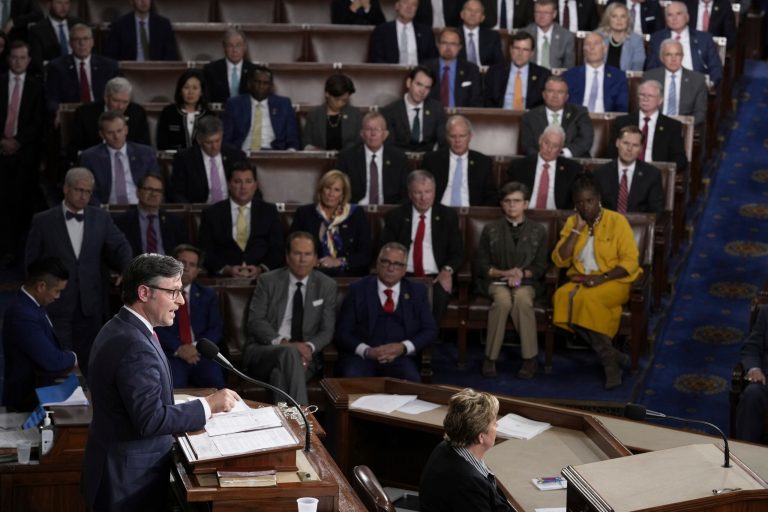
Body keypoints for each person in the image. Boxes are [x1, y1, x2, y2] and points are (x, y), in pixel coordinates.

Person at [81, 253, 240, 511]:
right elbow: (151, 419)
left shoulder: (121, 326)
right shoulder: (133, 344)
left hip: (118, 470)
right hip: (127, 482)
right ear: (144, 292)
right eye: (174, 291)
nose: (181, 300)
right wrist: (207, 405)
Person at [25, 167, 132, 375]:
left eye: (88, 192)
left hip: (91, 304)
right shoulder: (43, 221)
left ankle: (91, 404)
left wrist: (126, 270)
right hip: (56, 304)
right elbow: (31, 263)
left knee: (92, 361)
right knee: (58, 361)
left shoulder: (101, 218)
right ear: (65, 189)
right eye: (79, 190)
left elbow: (121, 246)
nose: (84, 196)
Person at [551, 173, 641, 389]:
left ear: (598, 199)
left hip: (614, 281)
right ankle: (614, 355)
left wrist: (602, 278)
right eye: (580, 202)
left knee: (588, 300)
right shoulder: (574, 222)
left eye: (589, 201)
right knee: (561, 297)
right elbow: (560, 259)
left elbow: (630, 260)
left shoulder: (616, 221)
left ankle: (609, 364)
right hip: (581, 280)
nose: (585, 206)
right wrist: (576, 230)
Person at [244, 231, 338, 405]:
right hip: (266, 351)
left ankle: (292, 429)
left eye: (307, 254)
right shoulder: (267, 281)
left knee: (279, 374)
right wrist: (287, 344)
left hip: (306, 358)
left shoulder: (327, 285)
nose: (302, 259)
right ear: (287, 257)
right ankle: (305, 421)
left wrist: (309, 348)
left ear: (316, 258)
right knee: (289, 353)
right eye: (297, 253)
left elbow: (327, 330)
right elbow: (256, 322)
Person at [475, 182, 549, 379]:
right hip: (496, 282)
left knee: (523, 299)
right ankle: (490, 357)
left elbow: (541, 267)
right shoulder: (490, 229)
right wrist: (504, 273)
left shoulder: (538, 230)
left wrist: (520, 274)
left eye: (516, 201)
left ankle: (529, 358)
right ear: (502, 204)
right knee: (502, 300)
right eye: (507, 201)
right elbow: (481, 265)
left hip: (527, 283)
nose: (511, 205)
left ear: (525, 204)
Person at [336, 242, 438, 381]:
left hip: (400, 358)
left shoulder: (417, 292)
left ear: (404, 270)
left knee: (412, 382)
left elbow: (430, 330)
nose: (391, 268)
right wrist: (367, 351)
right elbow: (343, 332)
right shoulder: (358, 289)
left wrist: (403, 347)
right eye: (386, 262)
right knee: (352, 381)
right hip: (363, 358)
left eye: (397, 264)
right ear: (377, 264)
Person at [380, 170, 464, 326]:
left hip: (435, 276)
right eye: (418, 193)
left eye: (428, 192)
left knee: (438, 295)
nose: (424, 198)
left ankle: (425, 343)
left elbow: (457, 252)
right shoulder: (396, 216)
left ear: (435, 192)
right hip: (404, 274)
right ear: (410, 194)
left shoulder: (448, 216)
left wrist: (447, 270)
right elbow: (386, 249)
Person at [419, 388, 514, 512]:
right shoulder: (469, 482)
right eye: (494, 423)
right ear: (481, 437)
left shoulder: (444, 447)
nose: (497, 426)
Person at [2, 257, 76, 412]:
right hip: (26, 403)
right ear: (41, 286)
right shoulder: (23, 314)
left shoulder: (32, 305)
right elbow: (51, 361)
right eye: (57, 291)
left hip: (37, 394)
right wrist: (73, 357)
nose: (58, 297)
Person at [155, 244, 226, 389]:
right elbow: (155, 327)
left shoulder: (208, 295)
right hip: (171, 354)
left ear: (197, 271)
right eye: (182, 263)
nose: (186, 268)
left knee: (217, 385)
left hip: (200, 354)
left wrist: (195, 347)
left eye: (192, 265)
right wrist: (179, 348)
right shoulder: (159, 293)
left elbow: (216, 328)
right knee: (173, 388)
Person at [197, 161, 284, 278]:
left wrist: (261, 269)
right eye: (237, 182)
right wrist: (226, 269)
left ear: (255, 185)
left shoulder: (269, 212)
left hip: (262, 278)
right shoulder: (212, 213)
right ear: (229, 184)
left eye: (248, 181)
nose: (243, 187)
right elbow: (205, 250)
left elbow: (277, 249)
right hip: (224, 278)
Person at [0, 40, 45, 264]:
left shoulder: (37, 87)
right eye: (14, 57)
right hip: (0, 150)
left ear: (28, 60)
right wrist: (3, 141)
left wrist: (17, 141)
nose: (18, 61)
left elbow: (38, 122)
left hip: (25, 152)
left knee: (22, 201)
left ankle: (18, 251)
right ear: (8, 59)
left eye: (22, 57)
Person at [289, 170, 372, 276]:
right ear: (320, 190)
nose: (331, 194)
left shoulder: (356, 214)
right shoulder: (305, 213)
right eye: (327, 188)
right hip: (313, 272)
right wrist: (310, 260)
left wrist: (339, 261)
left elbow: (365, 254)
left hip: (349, 272)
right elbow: (292, 246)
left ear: (343, 195)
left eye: (336, 190)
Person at [79, 111, 160, 205]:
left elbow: (156, 185)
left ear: (126, 130)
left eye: (119, 131)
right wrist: (101, 213)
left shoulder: (145, 153)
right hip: (107, 211)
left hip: (140, 208)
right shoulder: (90, 157)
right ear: (102, 134)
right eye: (110, 133)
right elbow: (89, 192)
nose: (116, 137)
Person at [608, 79, 688, 171]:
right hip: (626, 170)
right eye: (642, 95)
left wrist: (663, 171)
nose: (645, 99)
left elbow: (680, 158)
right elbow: (612, 152)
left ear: (660, 100)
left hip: (656, 173)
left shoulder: (672, 126)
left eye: (650, 96)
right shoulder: (622, 122)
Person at [68, 76, 151, 165]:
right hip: (94, 163)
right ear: (106, 98)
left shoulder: (137, 113)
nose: (121, 107)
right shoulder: (84, 113)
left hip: (128, 162)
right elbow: (73, 148)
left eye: (125, 102)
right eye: (116, 101)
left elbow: (144, 146)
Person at [420, 115, 496, 207]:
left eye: (462, 136)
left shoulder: (483, 162)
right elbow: (421, 190)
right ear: (447, 137)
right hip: (440, 212)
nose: (457, 140)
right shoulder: (432, 160)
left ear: (470, 136)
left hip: (471, 213)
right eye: (453, 136)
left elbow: (491, 196)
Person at [336, 111, 409, 204]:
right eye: (368, 129)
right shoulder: (347, 157)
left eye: (378, 129)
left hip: (389, 211)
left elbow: (405, 193)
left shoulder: (398, 158)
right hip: (356, 210)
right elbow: (339, 190)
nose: (373, 133)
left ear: (385, 134)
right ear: (362, 134)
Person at [44, 23, 118, 114]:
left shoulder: (109, 66)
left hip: (102, 115)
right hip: (73, 114)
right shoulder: (56, 67)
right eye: (76, 40)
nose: (82, 43)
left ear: (92, 42)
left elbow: (117, 95)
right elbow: (51, 99)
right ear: (70, 44)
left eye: (85, 39)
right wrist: (58, 111)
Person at [222, 65, 300, 151]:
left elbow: (292, 139)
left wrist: (289, 153)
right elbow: (226, 139)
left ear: (271, 86)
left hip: (274, 155)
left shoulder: (284, 105)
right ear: (249, 83)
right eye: (257, 82)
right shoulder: (234, 104)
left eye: (265, 83)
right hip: (243, 155)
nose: (261, 86)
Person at [170, 115, 246, 203]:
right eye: (209, 142)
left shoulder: (236, 156)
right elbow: (176, 193)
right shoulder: (184, 159)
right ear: (199, 140)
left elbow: (251, 188)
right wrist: (190, 212)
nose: (214, 147)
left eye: (217, 141)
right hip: (200, 210)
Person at [646, 1, 723, 87]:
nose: (674, 18)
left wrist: (709, 85)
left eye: (679, 14)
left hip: (696, 86)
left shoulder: (704, 39)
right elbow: (651, 70)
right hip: (666, 86)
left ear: (687, 17)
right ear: (666, 19)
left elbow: (716, 68)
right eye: (670, 15)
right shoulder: (657, 39)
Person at [506, 125, 583, 210]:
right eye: (546, 143)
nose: (549, 149)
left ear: (561, 148)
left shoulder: (572, 170)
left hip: (557, 218)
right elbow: (507, 195)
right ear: (540, 140)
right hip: (525, 214)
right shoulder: (519, 166)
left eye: (555, 146)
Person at [593, 125, 664, 215]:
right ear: (617, 143)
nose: (629, 149)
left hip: (637, 227)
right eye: (626, 143)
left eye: (635, 145)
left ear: (641, 149)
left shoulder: (652, 175)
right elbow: (594, 208)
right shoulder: (600, 173)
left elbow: (656, 212)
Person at [114, 174, 188, 256]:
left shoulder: (175, 222)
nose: (154, 194)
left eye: (158, 191)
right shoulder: (122, 222)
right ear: (138, 193)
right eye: (149, 189)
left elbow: (185, 252)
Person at [520, 75, 594, 158]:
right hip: (541, 162)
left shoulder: (579, 113)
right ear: (544, 94)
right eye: (550, 91)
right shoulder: (530, 117)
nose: (555, 96)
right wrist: (544, 157)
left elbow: (585, 140)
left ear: (567, 97)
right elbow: (528, 146)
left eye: (560, 92)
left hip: (573, 161)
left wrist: (562, 154)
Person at [380, 65, 447, 153]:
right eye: (419, 84)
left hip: (429, 160)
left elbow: (443, 142)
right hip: (399, 160)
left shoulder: (437, 109)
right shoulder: (390, 111)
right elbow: (389, 146)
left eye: (427, 87)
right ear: (409, 83)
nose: (422, 91)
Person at [643, 39, 707, 126]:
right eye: (668, 55)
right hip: (654, 124)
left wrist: (685, 126)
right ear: (662, 58)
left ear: (682, 57)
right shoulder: (650, 77)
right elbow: (642, 106)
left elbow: (700, 113)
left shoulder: (697, 80)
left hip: (683, 126)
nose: (673, 59)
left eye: (677, 54)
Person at [562, 31, 629, 113]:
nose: (592, 47)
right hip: (576, 121)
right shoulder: (569, 75)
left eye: (596, 44)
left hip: (607, 122)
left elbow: (622, 108)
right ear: (583, 50)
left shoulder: (618, 77)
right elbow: (564, 106)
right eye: (587, 44)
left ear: (605, 49)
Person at [484, 31, 552, 110]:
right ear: (510, 50)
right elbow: (487, 102)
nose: (520, 53)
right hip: (500, 118)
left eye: (525, 50)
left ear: (532, 53)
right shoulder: (494, 72)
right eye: (517, 48)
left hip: (531, 119)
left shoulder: (543, 75)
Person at [733, 305, 768, 443]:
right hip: (765, 382)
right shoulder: (766, 312)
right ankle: (744, 453)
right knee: (751, 394)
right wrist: (755, 369)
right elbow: (751, 348)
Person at [156, 69, 214, 151]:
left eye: (195, 88)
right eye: (186, 87)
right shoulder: (168, 112)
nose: (190, 92)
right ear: (180, 91)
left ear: (201, 92)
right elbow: (162, 144)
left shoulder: (209, 115)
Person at [424, 27, 483, 108]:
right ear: (438, 45)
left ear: (459, 47)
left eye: (453, 44)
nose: (448, 48)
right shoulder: (426, 68)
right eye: (444, 43)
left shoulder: (471, 70)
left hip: (462, 116)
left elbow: (476, 102)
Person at [302, 74, 363, 151]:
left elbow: (360, 144)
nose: (340, 103)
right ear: (327, 94)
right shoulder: (314, 114)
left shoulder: (355, 114)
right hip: (320, 161)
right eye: (337, 99)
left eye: (344, 100)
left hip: (348, 161)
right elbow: (306, 143)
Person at [102, 0, 178, 61]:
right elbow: (110, 56)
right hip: (129, 72)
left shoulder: (163, 24)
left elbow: (171, 56)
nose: (143, 1)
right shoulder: (119, 25)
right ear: (131, 1)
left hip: (157, 72)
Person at [370, 0, 437, 65]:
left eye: (414, 4)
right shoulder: (381, 31)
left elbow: (432, 60)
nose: (409, 7)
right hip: (390, 74)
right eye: (405, 2)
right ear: (397, 6)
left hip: (418, 74)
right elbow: (377, 59)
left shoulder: (426, 32)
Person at [27, 0, 83, 76]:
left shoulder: (79, 24)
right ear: (49, 5)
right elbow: (37, 63)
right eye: (59, 3)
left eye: (66, 3)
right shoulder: (37, 30)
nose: (63, 7)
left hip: (80, 71)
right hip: (53, 74)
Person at [203, 28, 258, 104]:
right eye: (230, 45)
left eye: (238, 45)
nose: (234, 50)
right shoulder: (211, 70)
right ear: (224, 47)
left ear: (244, 47)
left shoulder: (255, 71)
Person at [523, 0, 575, 69]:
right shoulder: (525, 34)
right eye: (538, 12)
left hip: (556, 77)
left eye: (546, 13)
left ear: (554, 14)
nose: (541, 17)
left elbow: (569, 67)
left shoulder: (566, 36)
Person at [597, 2, 646, 71]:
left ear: (628, 19)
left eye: (623, 16)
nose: (619, 20)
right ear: (608, 19)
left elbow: (637, 68)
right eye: (614, 16)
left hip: (625, 80)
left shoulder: (636, 39)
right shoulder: (597, 36)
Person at [457, 0, 505, 67]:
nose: (473, 14)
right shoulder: (453, 35)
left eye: (477, 11)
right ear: (462, 14)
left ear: (482, 18)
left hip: (485, 74)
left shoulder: (493, 36)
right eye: (469, 10)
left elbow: (500, 63)